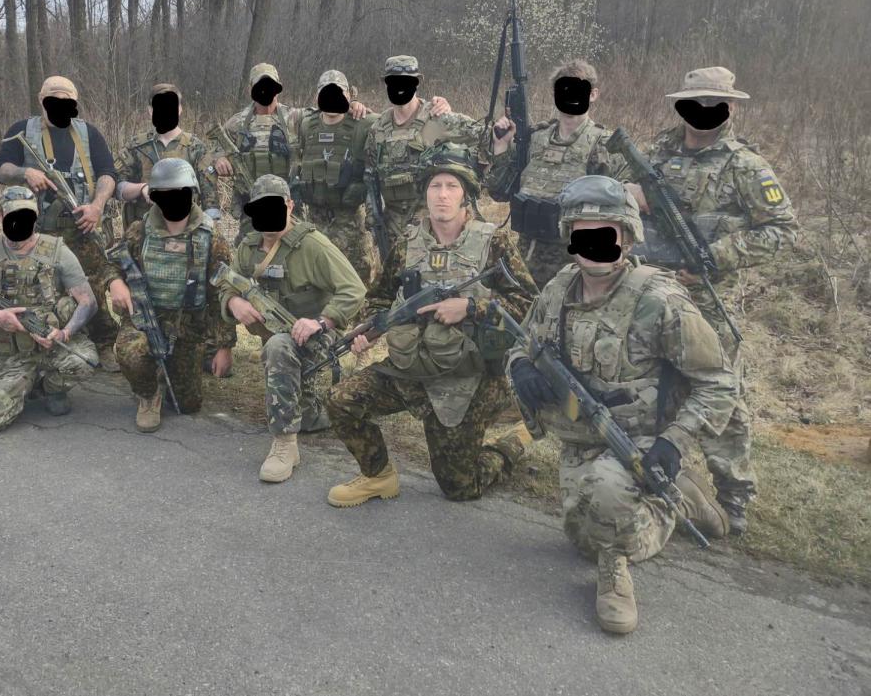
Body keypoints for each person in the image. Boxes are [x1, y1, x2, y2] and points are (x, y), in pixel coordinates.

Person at [506, 175, 736, 634]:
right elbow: (523, 343)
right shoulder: (559, 287)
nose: (592, 245)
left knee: (607, 510)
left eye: (604, 233)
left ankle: (623, 564)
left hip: (639, 438)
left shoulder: (660, 300)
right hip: (579, 438)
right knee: (580, 535)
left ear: (627, 237)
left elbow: (718, 383)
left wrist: (673, 442)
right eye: (581, 233)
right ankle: (675, 501)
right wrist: (520, 369)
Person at [625, 66, 798, 534]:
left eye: (711, 103)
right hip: (651, 292)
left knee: (721, 395)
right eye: (694, 102)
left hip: (707, 300)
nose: (702, 112)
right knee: (649, 389)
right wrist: (630, 198)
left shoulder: (745, 166)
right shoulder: (654, 155)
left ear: (730, 108)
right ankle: (656, 480)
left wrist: (715, 258)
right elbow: (617, 208)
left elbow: (782, 231)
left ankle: (732, 498)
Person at [326, 144, 536, 506]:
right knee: (341, 401)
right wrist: (369, 331)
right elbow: (378, 298)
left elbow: (528, 307)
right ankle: (378, 477)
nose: (442, 195)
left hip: (469, 377)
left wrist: (470, 307)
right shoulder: (408, 244)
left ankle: (515, 440)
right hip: (410, 367)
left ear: (466, 196)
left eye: (451, 187)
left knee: (459, 487)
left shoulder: (493, 243)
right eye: (435, 186)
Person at [218, 174, 366, 482]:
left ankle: (285, 445)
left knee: (278, 347)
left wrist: (321, 321)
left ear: (289, 205)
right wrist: (233, 303)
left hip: (321, 339)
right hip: (281, 338)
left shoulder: (313, 245)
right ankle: (305, 414)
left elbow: (354, 289)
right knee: (307, 412)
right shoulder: (248, 247)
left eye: (275, 206)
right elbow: (226, 283)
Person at [0, 75, 120, 371]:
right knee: (38, 289)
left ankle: (103, 344)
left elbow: (108, 173)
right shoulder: (21, 130)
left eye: (67, 102)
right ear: (42, 100)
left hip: (82, 225)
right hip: (38, 232)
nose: (60, 106)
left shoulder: (89, 133)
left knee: (95, 284)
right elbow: (0, 168)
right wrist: (25, 173)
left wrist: (97, 206)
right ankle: (41, 343)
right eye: (54, 100)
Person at [103, 159, 236, 433]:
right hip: (144, 316)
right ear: (155, 198)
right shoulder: (140, 231)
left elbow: (222, 294)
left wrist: (225, 347)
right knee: (130, 352)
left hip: (188, 326)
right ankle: (148, 394)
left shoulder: (211, 238)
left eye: (181, 194)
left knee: (188, 405)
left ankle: (166, 372)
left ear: (192, 194)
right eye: (166, 195)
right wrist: (115, 283)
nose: (174, 200)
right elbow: (112, 263)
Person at [0, 186, 98, 431]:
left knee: (85, 361)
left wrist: (64, 333)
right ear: (0, 216)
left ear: (36, 215)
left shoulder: (57, 250)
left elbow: (88, 301)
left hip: (51, 346)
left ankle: (50, 388)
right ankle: (16, 384)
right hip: (11, 353)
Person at [487, 59, 628, 289]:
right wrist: (501, 148)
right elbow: (498, 192)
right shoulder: (534, 138)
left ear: (593, 94)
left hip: (572, 265)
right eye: (563, 89)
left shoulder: (605, 145)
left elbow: (620, 214)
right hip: (523, 259)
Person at [209, 63, 370, 245]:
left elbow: (328, 112)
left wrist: (353, 105)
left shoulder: (295, 117)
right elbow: (214, 147)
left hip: (288, 206)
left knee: (292, 252)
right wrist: (219, 158)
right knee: (250, 251)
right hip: (251, 203)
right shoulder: (236, 123)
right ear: (250, 89)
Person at [365, 56, 481, 250]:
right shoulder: (377, 129)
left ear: (417, 83)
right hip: (391, 227)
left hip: (431, 225)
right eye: (393, 81)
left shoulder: (437, 118)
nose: (399, 87)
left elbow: (483, 136)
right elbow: (370, 177)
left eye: (406, 81)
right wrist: (373, 219)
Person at [294, 69, 379, 285]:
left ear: (349, 95)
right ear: (317, 96)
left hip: (350, 222)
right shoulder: (306, 125)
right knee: (318, 281)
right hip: (315, 221)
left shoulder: (364, 124)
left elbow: (397, 120)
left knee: (358, 282)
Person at [115, 82, 222, 231]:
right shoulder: (136, 146)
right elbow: (118, 187)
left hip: (185, 231)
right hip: (144, 230)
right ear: (150, 111)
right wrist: (142, 188)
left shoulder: (195, 147)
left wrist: (210, 233)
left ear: (180, 109)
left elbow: (210, 200)